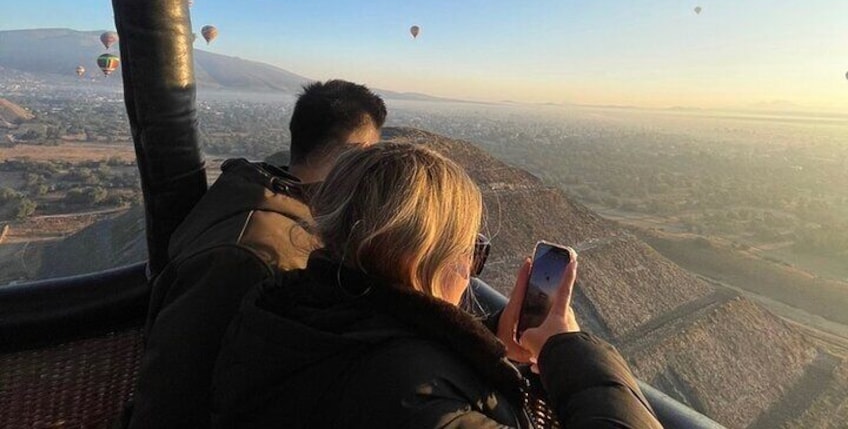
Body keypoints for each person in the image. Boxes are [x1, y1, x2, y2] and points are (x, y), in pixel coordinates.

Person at [211, 142, 662, 428]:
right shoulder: (416, 401)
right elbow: (393, 382)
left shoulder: (280, 308)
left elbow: (377, 340)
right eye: (472, 252)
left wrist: (485, 341)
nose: (471, 270)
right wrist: (566, 346)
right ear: (425, 256)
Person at [127, 80, 387, 429]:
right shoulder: (247, 255)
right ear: (354, 155)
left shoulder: (261, 204)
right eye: (370, 159)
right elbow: (172, 394)